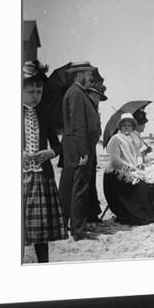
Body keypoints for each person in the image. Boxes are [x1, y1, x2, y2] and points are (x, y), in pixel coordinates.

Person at [22, 60, 67, 262]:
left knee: (41, 231)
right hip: (20, 179)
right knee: (18, 230)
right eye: (31, 92)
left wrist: (50, 153)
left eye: (39, 91)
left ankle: (43, 265)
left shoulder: (45, 115)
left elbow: (58, 145)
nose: (35, 96)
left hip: (42, 179)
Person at [58, 61, 102, 241]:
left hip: (77, 147)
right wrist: (83, 151)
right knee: (79, 189)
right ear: (79, 75)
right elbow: (78, 125)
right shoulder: (76, 93)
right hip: (79, 148)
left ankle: (73, 226)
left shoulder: (77, 92)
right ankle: (78, 229)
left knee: (73, 188)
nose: (90, 77)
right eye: (88, 73)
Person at [103, 113, 154, 225]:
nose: (127, 127)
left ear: (132, 127)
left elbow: (134, 157)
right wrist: (130, 169)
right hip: (116, 174)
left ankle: (150, 212)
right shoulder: (115, 139)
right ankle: (134, 213)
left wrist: (137, 166)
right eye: (124, 125)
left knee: (149, 185)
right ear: (120, 127)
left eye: (129, 125)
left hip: (128, 170)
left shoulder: (130, 139)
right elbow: (115, 160)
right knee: (140, 186)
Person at [85, 86, 108, 223]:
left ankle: (92, 214)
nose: (97, 99)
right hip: (85, 148)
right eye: (95, 95)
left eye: (99, 97)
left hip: (92, 148)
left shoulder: (94, 110)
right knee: (86, 183)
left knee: (92, 180)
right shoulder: (86, 109)